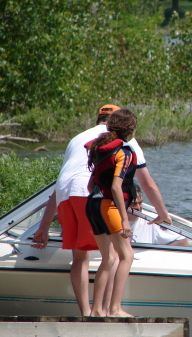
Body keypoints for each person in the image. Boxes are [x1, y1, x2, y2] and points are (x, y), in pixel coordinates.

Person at [32, 104, 172, 316]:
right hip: (101, 200)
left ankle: (89, 313)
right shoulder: (125, 145)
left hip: (70, 198)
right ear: (128, 128)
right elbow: (146, 184)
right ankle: (110, 310)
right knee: (116, 255)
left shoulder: (83, 141)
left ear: (99, 120)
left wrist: (43, 227)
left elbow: (65, 186)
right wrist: (161, 214)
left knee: (82, 257)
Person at [85, 109, 138, 317]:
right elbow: (116, 187)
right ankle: (115, 309)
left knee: (107, 258)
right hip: (109, 206)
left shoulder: (100, 150)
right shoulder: (124, 152)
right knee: (127, 255)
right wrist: (124, 219)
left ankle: (96, 310)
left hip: (92, 205)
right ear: (130, 130)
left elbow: (91, 186)